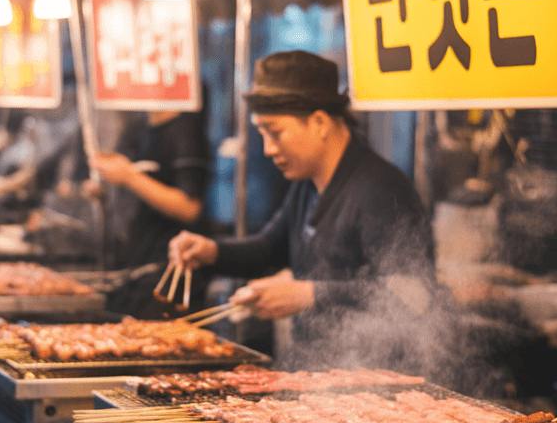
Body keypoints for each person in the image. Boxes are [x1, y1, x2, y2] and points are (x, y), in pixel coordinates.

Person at [168, 51, 434, 365]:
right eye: (262, 134)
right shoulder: (307, 184)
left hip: (377, 382)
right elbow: (269, 248)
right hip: (321, 378)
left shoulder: (381, 190)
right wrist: (211, 251)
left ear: (320, 122)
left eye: (275, 133)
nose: (268, 149)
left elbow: (413, 294)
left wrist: (309, 294)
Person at [92, 110, 211, 317]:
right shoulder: (138, 125)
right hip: (134, 263)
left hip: (170, 268)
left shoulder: (185, 128)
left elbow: (189, 208)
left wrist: (130, 177)